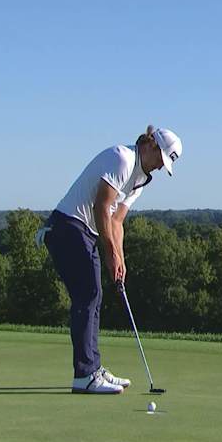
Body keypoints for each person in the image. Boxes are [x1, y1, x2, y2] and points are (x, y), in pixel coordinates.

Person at [36, 125, 183, 394]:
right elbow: (101, 206)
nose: (160, 168)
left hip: (84, 230)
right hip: (68, 226)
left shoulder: (141, 178)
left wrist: (120, 258)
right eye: (160, 159)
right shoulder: (122, 158)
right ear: (150, 145)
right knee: (88, 295)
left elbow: (116, 220)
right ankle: (85, 375)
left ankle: (93, 368)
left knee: (93, 295)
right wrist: (110, 253)